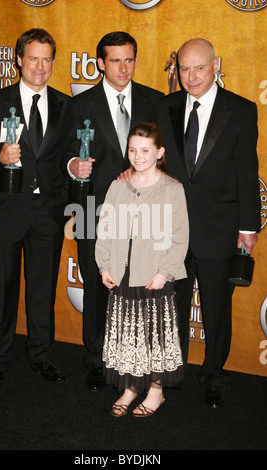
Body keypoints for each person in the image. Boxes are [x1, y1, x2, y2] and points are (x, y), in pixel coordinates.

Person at [0, 28, 75, 394]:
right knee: (1, 287)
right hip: (6, 209)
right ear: (18, 60)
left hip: (48, 210)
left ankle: (41, 355)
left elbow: (68, 157)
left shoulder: (65, 105)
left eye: (47, 59)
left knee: (43, 288)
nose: (40, 67)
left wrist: (74, 169)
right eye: (33, 58)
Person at [157, 38, 261, 407]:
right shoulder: (165, 105)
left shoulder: (242, 110)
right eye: (184, 68)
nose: (191, 76)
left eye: (199, 67)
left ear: (216, 64)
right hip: (172, 229)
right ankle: (173, 367)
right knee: (174, 303)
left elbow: (248, 173)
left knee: (217, 307)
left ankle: (215, 373)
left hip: (220, 227)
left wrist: (248, 228)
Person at [66, 31, 164, 391]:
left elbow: (166, 156)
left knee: (140, 286)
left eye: (129, 59)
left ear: (136, 60)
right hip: (93, 208)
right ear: (100, 64)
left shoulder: (155, 101)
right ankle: (97, 360)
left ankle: (135, 359)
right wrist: (73, 165)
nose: (123, 68)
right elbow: (67, 155)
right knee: (96, 288)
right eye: (115, 60)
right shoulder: (78, 105)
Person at [95, 123, 189, 417]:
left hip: (154, 276)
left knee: (155, 334)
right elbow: (105, 230)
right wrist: (104, 266)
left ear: (159, 152)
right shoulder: (117, 186)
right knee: (128, 335)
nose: (137, 156)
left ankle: (156, 391)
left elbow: (179, 237)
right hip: (122, 274)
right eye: (133, 150)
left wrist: (165, 272)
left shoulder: (172, 188)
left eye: (145, 150)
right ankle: (130, 388)